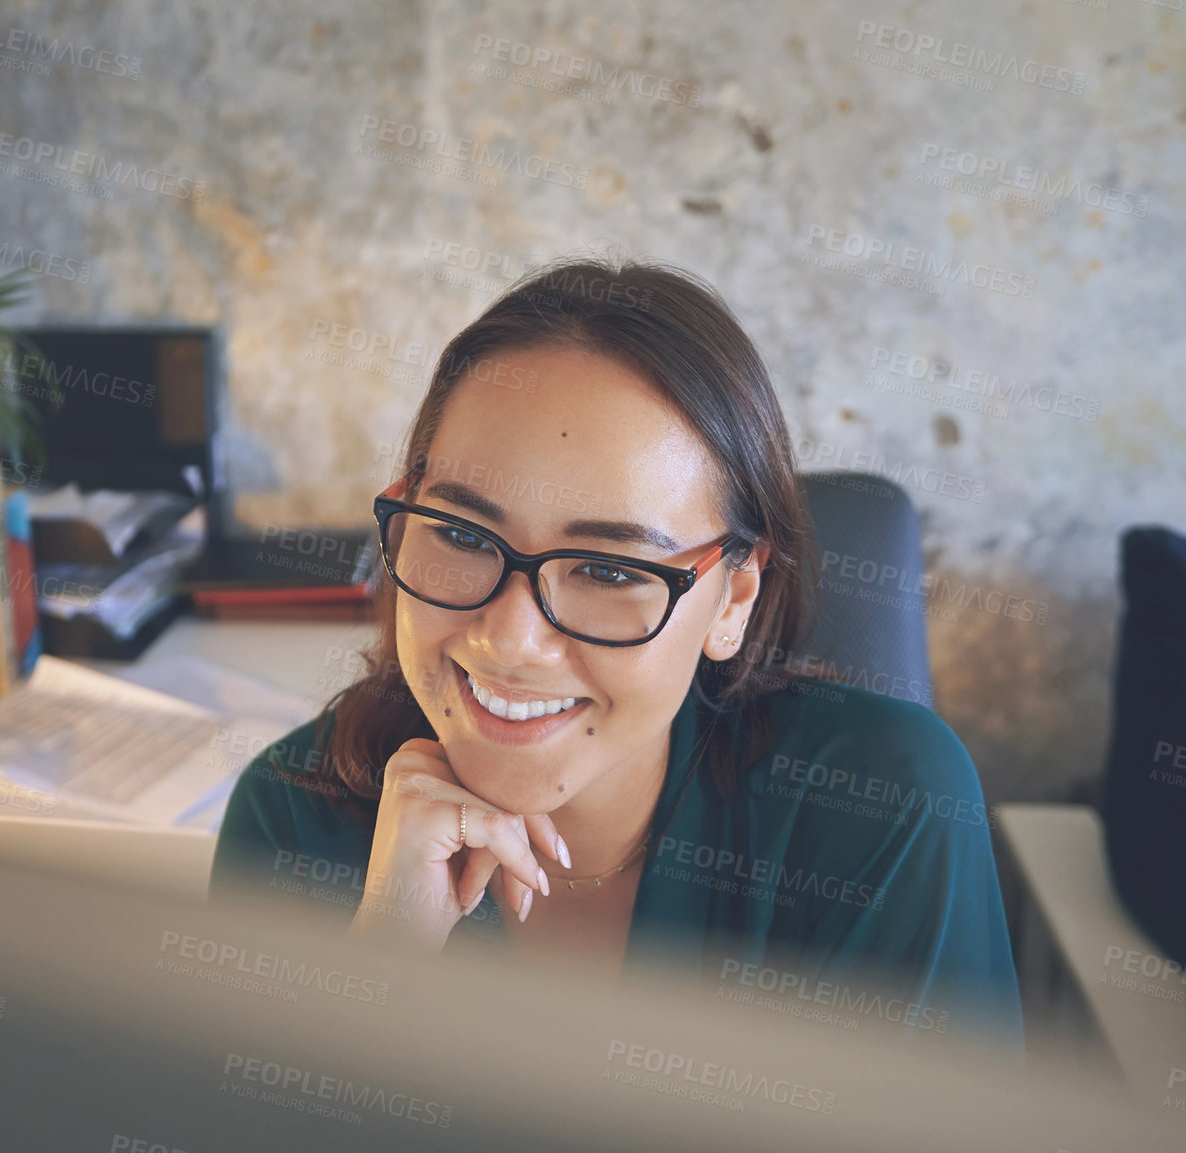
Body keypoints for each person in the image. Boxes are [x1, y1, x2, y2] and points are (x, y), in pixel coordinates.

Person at [209, 259, 1024, 1051]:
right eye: (460, 533)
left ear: (733, 598)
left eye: (607, 569)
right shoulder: (295, 819)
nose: (509, 639)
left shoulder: (884, 804)